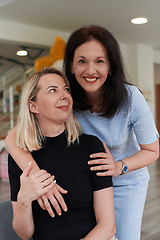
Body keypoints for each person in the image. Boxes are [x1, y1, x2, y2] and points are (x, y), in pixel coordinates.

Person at [5, 25, 159, 240]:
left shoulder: (130, 98)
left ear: (111, 66)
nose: (90, 70)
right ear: (72, 65)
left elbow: (152, 150)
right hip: (86, 173)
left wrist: (118, 166)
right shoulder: (69, 96)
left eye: (100, 61)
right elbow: (14, 137)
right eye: (82, 61)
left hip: (126, 178)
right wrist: (41, 182)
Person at [7, 67, 116, 240]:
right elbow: (24, 234)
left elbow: (107, 226)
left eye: (66, 89)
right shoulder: (19, 157)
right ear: (33, 106)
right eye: (53, 90)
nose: (64, 95)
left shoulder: (91, 146)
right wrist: (24, 200)